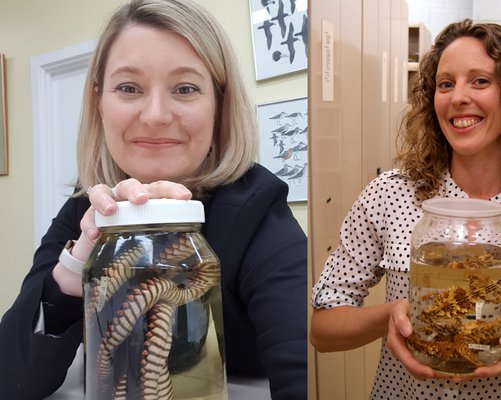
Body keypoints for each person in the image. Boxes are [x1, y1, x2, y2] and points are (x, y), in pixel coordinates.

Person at [0, 0, 307, 398]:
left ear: (219, 104)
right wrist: (75, 269)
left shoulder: (256, 205)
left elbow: (306, 366)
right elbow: (10, 379)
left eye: (185, 88)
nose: (156, 115)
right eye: (129, 88)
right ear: (99, 103)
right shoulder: (85, 209)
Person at [311, 19, 501, 399]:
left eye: (480, 81)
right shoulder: (389, 195)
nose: (458, 96)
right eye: (446, 84)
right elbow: (322, 329)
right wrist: (392, 315)